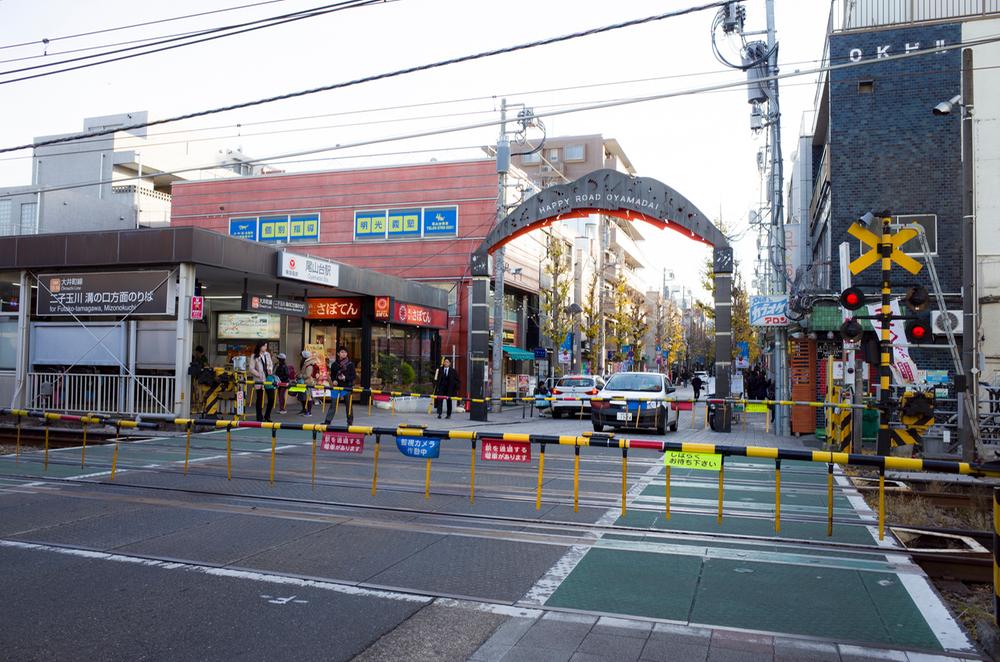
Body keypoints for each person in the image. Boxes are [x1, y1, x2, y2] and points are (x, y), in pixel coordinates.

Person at [325, 345, 356, 426]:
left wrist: (345, 378)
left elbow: (353, 376)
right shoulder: (335, 364)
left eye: (345, 352)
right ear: (338, 353)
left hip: (347, 387)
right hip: (336, 387)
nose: (344, 354)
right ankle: (327, 421)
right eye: (342, 352)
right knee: (333, 404)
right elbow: (332, 375)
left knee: (348, 404)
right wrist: (334, 380)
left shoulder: (350, 364)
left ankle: (350, 422)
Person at [249, 341, 275, 422]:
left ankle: (267, 415)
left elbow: (270, 364)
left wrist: (270, 369)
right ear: (260, 347)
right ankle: (259, 416)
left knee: (271, 398)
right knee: (259, 398)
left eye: (266, 346)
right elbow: (251, 368)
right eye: (264, 346)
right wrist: (258, 374)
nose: (265, 348)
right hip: (259, 379)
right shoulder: (254, 356)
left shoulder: (267, 354)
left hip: (268, 379)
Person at [298, 350, 321, 416]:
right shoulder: (307, 362)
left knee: (308, 397)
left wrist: (300, 376)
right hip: (306, 382)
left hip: (308, 382)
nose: (301, 357)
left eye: (302, 356)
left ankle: (309, 412)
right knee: (304, 396)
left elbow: (307, 375)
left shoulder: (309, 364)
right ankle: (305, 410)